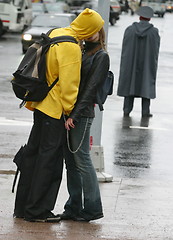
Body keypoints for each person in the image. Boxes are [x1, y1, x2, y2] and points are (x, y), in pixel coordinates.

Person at [13, 8, 105, 223]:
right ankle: (38, 211)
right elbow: (69, 87)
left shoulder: (56, 33)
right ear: (89, 29)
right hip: (54, 111)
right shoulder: (71, 47)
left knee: (33, 156)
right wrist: (68, 112)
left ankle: (23, 207)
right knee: (49, 162)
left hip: (39, 105)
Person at [58, 28, 110, 222]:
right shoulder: (80, 51)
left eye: (94, 32)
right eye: (87, 31)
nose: (90, 35)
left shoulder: (101, 56)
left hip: (82, 113)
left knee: (82, 160)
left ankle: (93, 207)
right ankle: (73, 206)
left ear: (100, 34)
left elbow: (90, 89)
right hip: (70, 112)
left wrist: (75, 115)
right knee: (71, 162)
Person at [117, 6, 160, 117]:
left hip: (130, 64)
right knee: (146, 84)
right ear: (149, 18)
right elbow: (155, 50)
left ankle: (126, 110)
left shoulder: (129, 30)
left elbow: (125, 50)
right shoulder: (154, 32)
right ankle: (145, 112)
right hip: (147, 64)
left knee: (129, 85)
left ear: (139, 17)